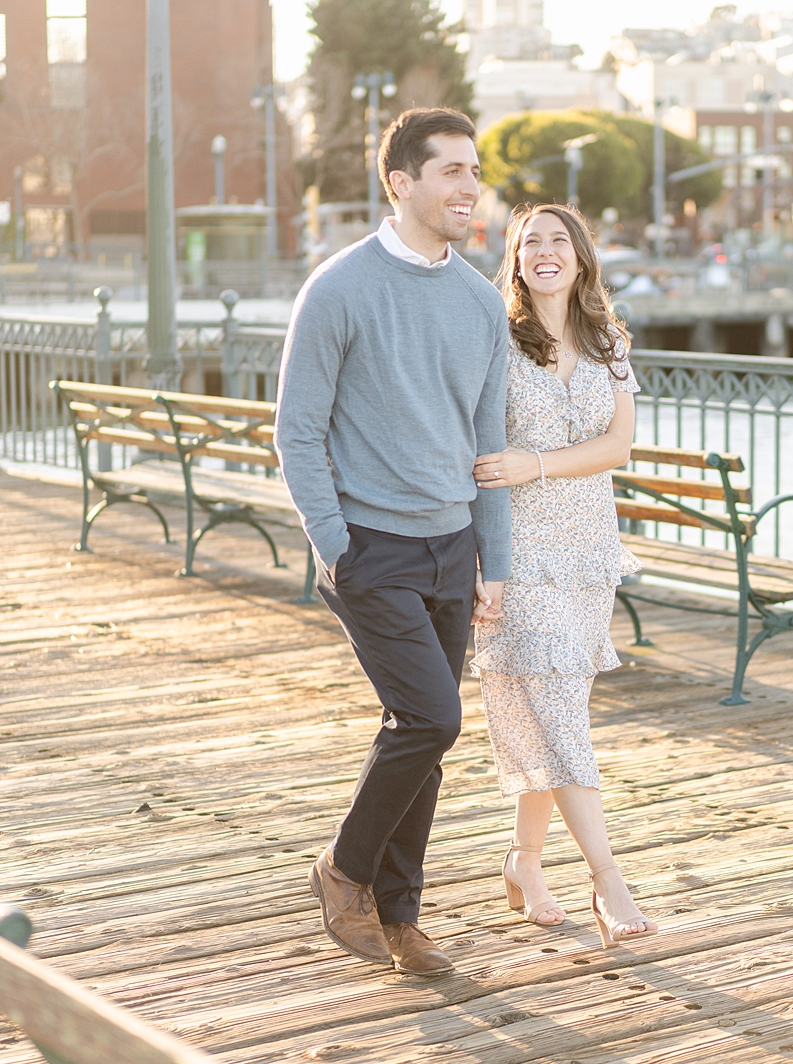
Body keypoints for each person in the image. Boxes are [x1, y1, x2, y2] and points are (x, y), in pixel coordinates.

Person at [275, 108, 511, 978]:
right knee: (432, 716)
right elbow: (296, 431)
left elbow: (487, 452)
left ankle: (401, 919)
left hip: (453, 548)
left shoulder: (481, 301)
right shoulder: (338, 288)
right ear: (401, 184)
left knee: (422, 732)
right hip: (369, 547)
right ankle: (343, 869)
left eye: (475, 169)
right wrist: (332, 543)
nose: (470, 187)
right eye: (451, 170)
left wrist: (497, 563)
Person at [469, 203, 658, 949]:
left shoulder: (608, 340)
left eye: (558, 240)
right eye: (529, 243)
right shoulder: (496, 342)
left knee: (553, 717)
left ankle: (525, 860)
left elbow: (618, 446)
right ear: (514, 261)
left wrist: (536, 463)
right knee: (559, 720)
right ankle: (608, 876)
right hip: (518, 557)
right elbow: (481, 452)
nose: (545, 252)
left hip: (589, 556)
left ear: (579, 258)